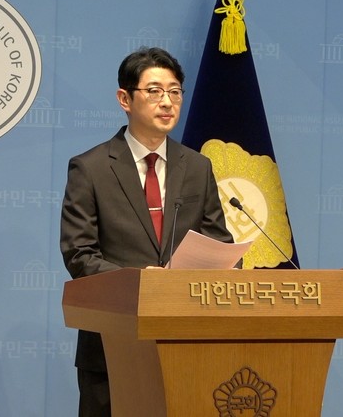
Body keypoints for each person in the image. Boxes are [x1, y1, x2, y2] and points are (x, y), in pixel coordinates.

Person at [59, 47, 234, 417]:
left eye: (175, 91)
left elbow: (218, 241)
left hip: (185, 341)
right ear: (125, 99)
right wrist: (140, 282)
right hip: (112, 344)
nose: (167, 102)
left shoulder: (197, 167)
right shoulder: (90, 168)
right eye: (154, 91)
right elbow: (79, 254)